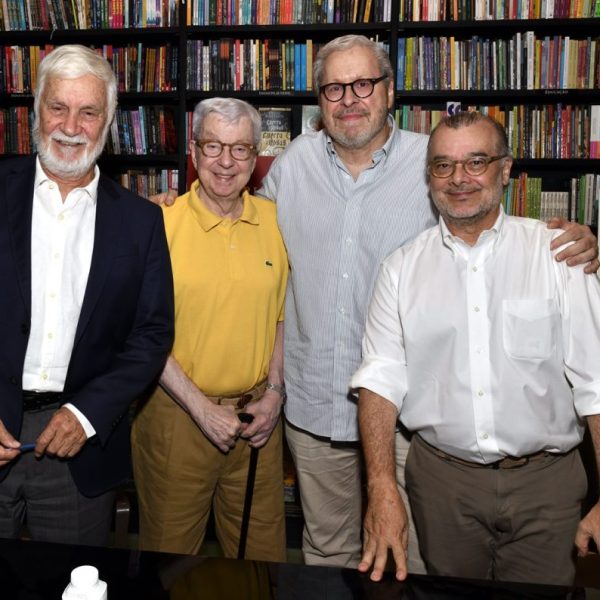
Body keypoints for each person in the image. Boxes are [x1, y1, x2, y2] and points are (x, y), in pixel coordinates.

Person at [152, 35, 599, 571]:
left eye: (363, 83)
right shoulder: (292, 166)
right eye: (334, 88)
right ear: (319, 100)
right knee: (327, 555)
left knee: (414, 558)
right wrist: (161, 212)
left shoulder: (431, 165)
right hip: (314, 408)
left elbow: (485, 226)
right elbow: (233, 216)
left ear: (390, 92)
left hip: (411, 419)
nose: (350, 99)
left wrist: (582, 239)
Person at [352, 111, 600, 585]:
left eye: (476, 162)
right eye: (443, 166)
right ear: (429, 178)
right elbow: (380, 380)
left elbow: (597, 383)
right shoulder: (401, 269)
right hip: (443, 484)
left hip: (547, 483)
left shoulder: (559, 256)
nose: (459, 178)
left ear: (505, 171)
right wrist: (382, 486)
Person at [0, 44, 174, 546]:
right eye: (58, 107)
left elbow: (152, 333)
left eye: (88, 111)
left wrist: (87, 414)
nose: (70, 126)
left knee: (74, 584)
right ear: (36, 112)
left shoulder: (141, 223)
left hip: (79, 448)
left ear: (109, 121)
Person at [131, 98, 288, 561]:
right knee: (170, 561)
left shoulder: (277, 223)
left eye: (240, 149)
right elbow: (141, 333)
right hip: (176, 417)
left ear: (256, 157)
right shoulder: (156, 224)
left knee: (261, 561)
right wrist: (201, 410)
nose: (226, 161)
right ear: (195, 152)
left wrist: (275, 393)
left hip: (257, 421)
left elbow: (282, 317)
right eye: (214, 145)